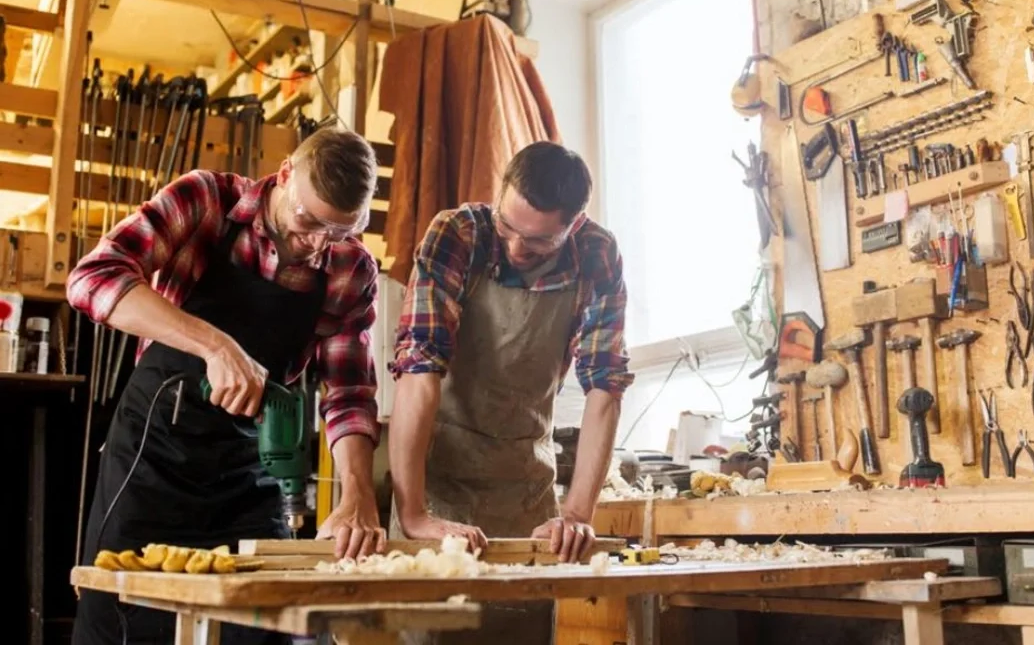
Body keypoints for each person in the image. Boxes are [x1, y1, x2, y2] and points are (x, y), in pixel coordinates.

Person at [68, 128, 386, 645]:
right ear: (284, 175)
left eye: (339, 229)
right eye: (308, 221)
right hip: (152, 464)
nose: (317, 243)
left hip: (247, 472)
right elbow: (92, 278)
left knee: (271, 624)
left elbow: (348, 392)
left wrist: (357, 491)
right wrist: (214, 345)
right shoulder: (207, 201)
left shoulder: (351, 268)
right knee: (121, 621)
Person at [388, 141, 633, 644]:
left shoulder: (597, 255)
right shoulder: (457, 234)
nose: (519, 248)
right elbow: (418, 368)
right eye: (509, 227)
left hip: (525, 488)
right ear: (499, 194)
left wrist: (577, 515)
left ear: (575, 223)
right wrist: (414, 515)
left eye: (540, 242)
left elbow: (604, 386)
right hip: (438, 484)